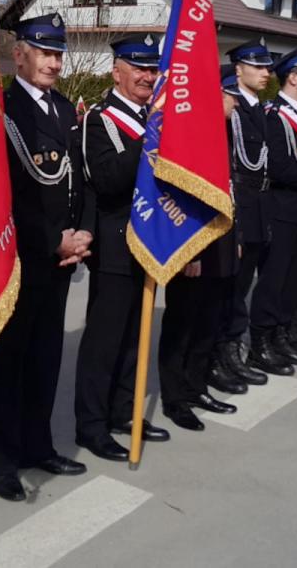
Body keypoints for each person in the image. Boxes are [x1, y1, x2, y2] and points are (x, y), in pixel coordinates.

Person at [0, 13, 93, 503]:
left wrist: (84, 231)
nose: (53, 63)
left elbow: (78, 179)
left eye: (58, 54)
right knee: (11, 360)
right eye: (45, 52)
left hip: (62, 257)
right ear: (19, 54)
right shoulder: (2, 110)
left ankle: (38, 445)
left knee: (47, 357)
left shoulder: (64, 108)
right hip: (23, 257)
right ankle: (2, 459)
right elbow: (5, 194)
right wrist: (54, 240)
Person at [74, 34, 179, 448]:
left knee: (136, 339)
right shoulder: (99, 119)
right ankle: (91, 426)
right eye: (138, 68)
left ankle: (125, 413)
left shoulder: (156, 118)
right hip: (115, 246)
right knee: (104, 342)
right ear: (116, 72)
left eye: (152, 69)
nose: (147, 77)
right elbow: (107, 180)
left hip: (152, 240)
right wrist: (150, 135)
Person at [156, 63, 240, 431]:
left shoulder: (225, 130)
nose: (235, 102)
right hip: (192, 243)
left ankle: (196, 386)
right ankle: (175, 398)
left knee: (208, 321)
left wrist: (234, 239)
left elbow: (230, 187)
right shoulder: (191, 132)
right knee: (182, 323)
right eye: (230, 95)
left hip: (221, 239)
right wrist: (190, 252)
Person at [252, 49, 297, 372]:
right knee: (275, 278)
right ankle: (262, 340)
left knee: (295, 278)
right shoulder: (275, 115)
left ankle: (282, 331)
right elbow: (279, 166)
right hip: (282, 209)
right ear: (293, 78)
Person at [214, 40, 275, 385]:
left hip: (259, 209)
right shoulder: (230, 110)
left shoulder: (260, 110)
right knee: (231, 290)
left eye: (267, 67)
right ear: (238, 69)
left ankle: (234, 349)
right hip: (239, 208)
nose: (267, 73)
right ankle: (223, 354)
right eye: (259, 66)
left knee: (243, 286)